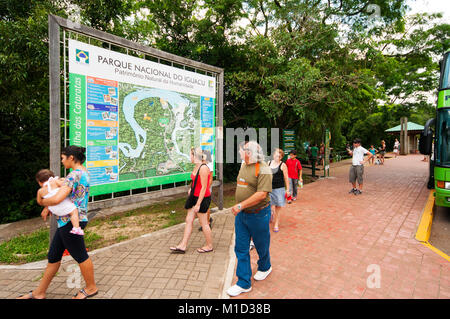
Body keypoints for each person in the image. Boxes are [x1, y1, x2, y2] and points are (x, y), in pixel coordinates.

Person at [18, 145, 98, 299]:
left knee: (80, 255)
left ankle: (91, 288)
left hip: (71, 223)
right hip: (67, 221)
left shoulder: (73, 175)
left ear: (71, 158)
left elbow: (57, 198)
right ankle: (39, 293)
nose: (62, 161)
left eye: (63, 158)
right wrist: (48, 207)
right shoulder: (83, 172)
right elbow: (66, 197)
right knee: (54, 255)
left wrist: (41, 200)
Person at [227, 141, 273, 297]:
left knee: (261, 245)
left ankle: (265, 266)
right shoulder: (243, 165)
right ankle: (243, 283)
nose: (239, 153)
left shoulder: (264, 169)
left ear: (248, 152)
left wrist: (240, 205)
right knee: (241, 248)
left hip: (259, 214)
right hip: (242, 216)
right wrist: (241, 208)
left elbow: (262, 194)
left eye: (241, 151)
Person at [170, 147, 213, 254]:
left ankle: (209, 245)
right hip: (194, 196)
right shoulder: (196, 166)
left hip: (202, 198)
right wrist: (191, 188)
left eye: (191, 155)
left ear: (195, 156)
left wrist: (198, 204)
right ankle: (183, 245)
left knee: (204, 223)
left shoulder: (203, 168)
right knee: (189, 220)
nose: (190, 157)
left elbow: (204, 187)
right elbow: (195, 181)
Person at [35, 169, 84, 235]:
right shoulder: (55, 182)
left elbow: (39, 201)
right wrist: (62, 180)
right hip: (64, 206)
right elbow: (67, 185)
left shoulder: (40, 191)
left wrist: (47, 206)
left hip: (54, 210)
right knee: (74, 212)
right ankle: (76, 228)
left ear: (40, 182)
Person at [268, 148, 290, 232]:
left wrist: (287, 190)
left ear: (281, 157)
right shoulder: (268, 163)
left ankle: (276, 223)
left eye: (279, 156)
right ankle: (271, 214)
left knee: (278, 206)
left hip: (279, 189)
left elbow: (286, 178)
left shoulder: (283, 165)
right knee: (268, 205)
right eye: (276, 155)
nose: (277, 157)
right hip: (269, 188)